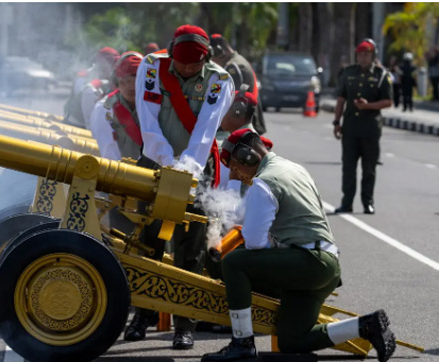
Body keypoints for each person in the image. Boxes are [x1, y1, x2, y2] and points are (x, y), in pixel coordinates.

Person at [201, 129, 396, 362]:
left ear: (247, 156)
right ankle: (366, 325)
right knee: (292, 340)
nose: (235, 175)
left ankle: (242, 342)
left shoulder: (264, 184)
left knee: (233, 263)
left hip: (308, 262)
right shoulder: (294, 168)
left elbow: (254, 242)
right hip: (327, 266)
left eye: (234, 167)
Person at [125, 24, 234, 349]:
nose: (187, 69)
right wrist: (166, 163)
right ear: (171, 55)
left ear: (207, 59)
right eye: (182, 63)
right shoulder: (152, 68)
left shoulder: (220, 80)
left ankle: (184, 324)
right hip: (157, 166)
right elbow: (148, 119)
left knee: (191, 246)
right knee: (149, 241)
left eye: (194, 65)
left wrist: (186, 169)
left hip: (196, 169)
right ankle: (142, 316)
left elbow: (206, 129)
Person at [333, 39, 392, 215]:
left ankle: (368, 202)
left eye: (367, 55)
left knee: (369, 169)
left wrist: (368, 106)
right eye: (360, 55)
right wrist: (336, 122)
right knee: (348, 168)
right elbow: (341, 99)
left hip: (370, 129)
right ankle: (347, 203)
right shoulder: (348, 73)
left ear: (373, 57)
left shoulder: (381, 75)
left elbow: (388, 102)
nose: (363, 58)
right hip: (350, 128)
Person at [90, 51, 144, 160]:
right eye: (125, 81)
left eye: (136, 82)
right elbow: (108, 150)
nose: (130, 87)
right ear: (116, 81)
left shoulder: (155, 105)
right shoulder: (104, 107)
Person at [210, 33, 266, 135]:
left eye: (211, 57)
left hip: (240, 125)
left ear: (219, 52)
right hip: (244, 122)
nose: (211, 61)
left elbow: (233, 99)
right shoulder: (238, 61)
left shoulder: (233, 67)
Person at [64, 47, 119, 128]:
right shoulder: (84, 79)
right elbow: (89, 118)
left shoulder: (112, 78)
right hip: (78, 125)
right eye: (109, 63)